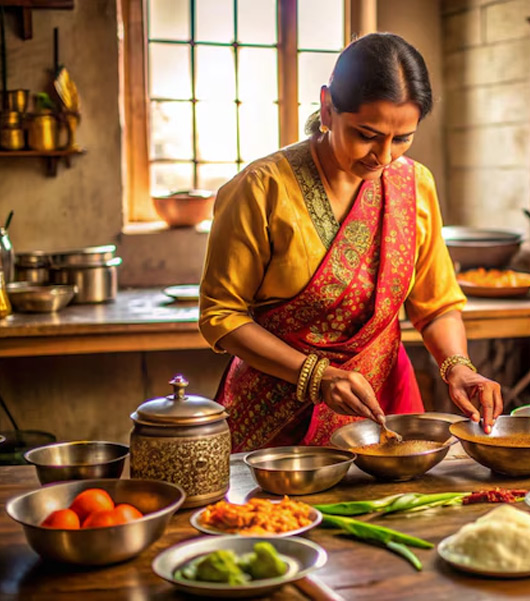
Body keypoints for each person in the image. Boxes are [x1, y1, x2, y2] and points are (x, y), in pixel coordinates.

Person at [199, 32, 503, 451]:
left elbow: (436, 306)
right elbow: (221, 315)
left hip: (382, 407)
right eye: (366, 134)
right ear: (327, 108)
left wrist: (457, 367)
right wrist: (315, 375)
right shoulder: (260, 189)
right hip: (274, 417)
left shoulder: (415, 184)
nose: (384, 156)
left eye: (402, 138)